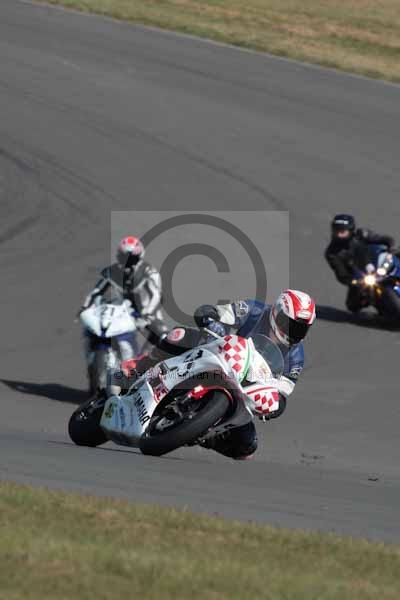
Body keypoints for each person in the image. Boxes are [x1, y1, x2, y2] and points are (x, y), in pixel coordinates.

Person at [124, 289, 316, 460]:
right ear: (276, 313)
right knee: (179, 335)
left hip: (244, 389)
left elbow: (282, 392)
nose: (292, 332)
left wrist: (276, 406)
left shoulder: (296, 357)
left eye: (300, 328)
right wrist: (211, 319)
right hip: (220, 356)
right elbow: (218, 312)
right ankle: (140, 366)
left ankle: (202, 432)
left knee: (248, 446)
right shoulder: (255, 310)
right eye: (289, 324)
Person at [79, 236, 165, 391]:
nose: (126, 261)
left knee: (162, 337)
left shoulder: (149, 272)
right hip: (123, 311)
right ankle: (92, 364)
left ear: (139, 257)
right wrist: (85, 307)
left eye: (130, 257)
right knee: (92, 330)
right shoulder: (112, 272)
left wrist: (147, 315)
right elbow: (97, 291)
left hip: (146, 314)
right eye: (123, 256)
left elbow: (156, 295)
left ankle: (154, 377)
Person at [325, 214, 395, 312]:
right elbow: (340, 273)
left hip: (378, 263)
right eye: (337, 231)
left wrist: (390, 247)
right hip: (360, 277)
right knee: (352, 305)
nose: (339, 234)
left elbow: (383, 239)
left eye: (342, 231)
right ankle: (382, 308)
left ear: (350, 230)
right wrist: (353, 281)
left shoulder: (362, 234)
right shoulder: (332, 253)